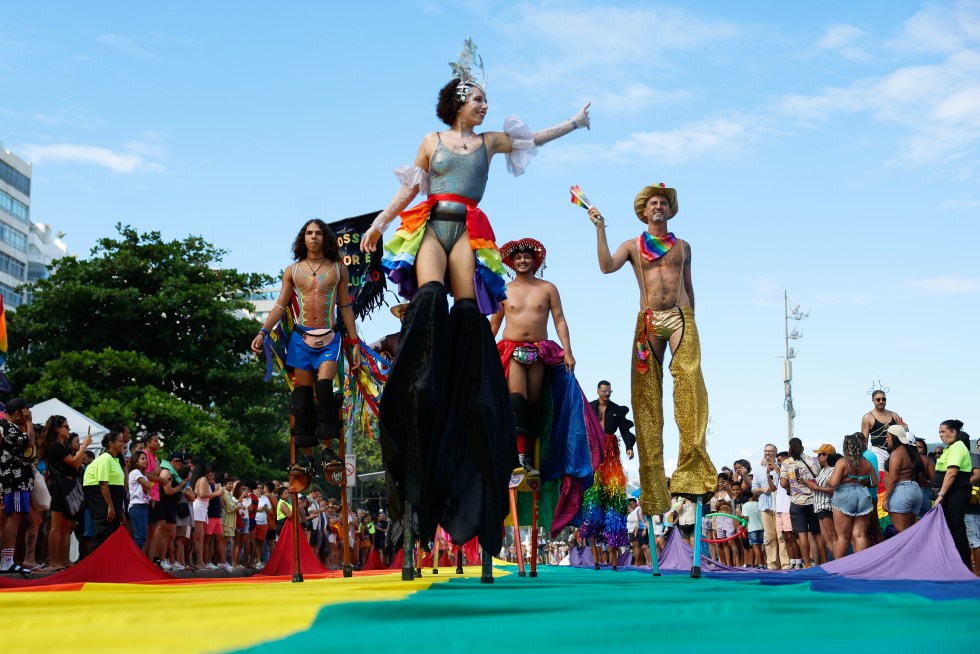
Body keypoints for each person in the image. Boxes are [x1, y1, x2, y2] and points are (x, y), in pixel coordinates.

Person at [359, 38, 591, 569]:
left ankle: (467, 366)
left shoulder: (489, 143)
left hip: (469, 227)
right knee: (431, 296)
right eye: (478, 99)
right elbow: (408, 193)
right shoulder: (432, 140)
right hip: (429, 224)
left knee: (466, 310)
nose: (485, 105)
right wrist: (378, 223)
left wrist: (573, 125)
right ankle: (419, 353)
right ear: (457, 100)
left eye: (486, 99)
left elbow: (537, 138)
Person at [587, 183, 716, 520]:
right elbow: (606, 267)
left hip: (679, 317)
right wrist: (600, 228)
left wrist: (691, 319)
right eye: (652, 203)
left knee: (689, 380)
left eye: (663, 203)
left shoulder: (684, 246)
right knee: (645, 399)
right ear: (644, 211)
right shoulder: (633, 245)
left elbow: (689, 286)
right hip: (648, 320)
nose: (658, 206)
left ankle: (692, 470)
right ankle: (656, 494)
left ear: (670, 210)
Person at [490, 237, 600, 533]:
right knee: (517, 401)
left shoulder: (548, 288)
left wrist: (569, 350)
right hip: (512, 349)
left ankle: (533, 463)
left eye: (528, 257)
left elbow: (560, 320)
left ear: (535, 260)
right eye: (518, 258)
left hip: (540, 351)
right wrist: (482, 352)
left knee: (536, 407)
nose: (523, 261)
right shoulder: (503, 288)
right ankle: (519, 461)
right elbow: (494, 324)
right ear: (511, 262)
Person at [250, 218, 361, 489]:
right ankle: (307, 456)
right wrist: (262, 332)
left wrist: (355, 341)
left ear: (325, 238)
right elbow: (279, 305)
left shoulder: (338, 270)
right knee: (301, 396)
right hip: (300, 339)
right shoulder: (293, 270)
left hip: (330, 339)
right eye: (309, 233)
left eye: (318, 233)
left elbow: (345, 306)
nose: (313, 237)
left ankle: (327, 450)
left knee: (324, 390)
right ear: (304, 238)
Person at [581, 381, 633, 566]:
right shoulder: (589, 408)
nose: (607, 394)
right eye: (604, 391)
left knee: (614, 502)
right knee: (593, 503)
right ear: (598, 391)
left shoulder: (617, 410)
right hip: (593, 456)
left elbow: (626, 431)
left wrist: (629, 447)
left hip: (611, 458)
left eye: (609, 391)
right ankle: (595, 559)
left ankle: (613, 560)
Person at [41, 417, 92, 571]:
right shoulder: (55, 446)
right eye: (66, 427)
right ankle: (54, 561)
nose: (68, 430)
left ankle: (63, 560)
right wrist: (84, 446)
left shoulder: (61, 446)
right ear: (57, 429)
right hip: (58, 487)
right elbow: (75, 463)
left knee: (66, 526)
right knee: (57, 526)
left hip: (67, 486)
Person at [0, 398, 36, 574]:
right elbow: (29, 442)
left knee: (16, 517)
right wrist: (29, 423)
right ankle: (6, 562)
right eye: (26, 411)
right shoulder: (8, 427)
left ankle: (7, 560)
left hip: (17, 479)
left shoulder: (8, 427)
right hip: (15, 480)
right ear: (17, 414)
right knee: (13, 518)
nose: (28, 414)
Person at [828, 434, 875, 559]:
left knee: (843, 536)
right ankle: (860, 567)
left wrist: (828, 481)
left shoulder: (843, 462)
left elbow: (833, 483)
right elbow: (874, 482)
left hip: (845, 495)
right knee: (860, 535)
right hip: (863, 495)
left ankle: (838, 569)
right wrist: (861, 481)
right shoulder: (867, 463)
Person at [933, 419, 972, 569]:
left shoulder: (957, 447)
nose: (940, 435)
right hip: (950, 493)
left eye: (943, 432)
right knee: (949, 528)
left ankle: (962, 567)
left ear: (953, 432)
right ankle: (953, 566)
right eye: (939, 432)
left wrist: (941, 495)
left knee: (955, 528)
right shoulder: (949, 448)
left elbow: (951, 473)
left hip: (955, 493)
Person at [82, 431, 126, 549]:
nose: (123, 443)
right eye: (120, 441)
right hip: (100, 497)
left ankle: (107, 564)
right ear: (111, 443)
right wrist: (110, 506)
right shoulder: (105, 459)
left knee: (112, 533)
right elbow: (103, 484)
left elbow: (117, 485)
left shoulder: (115, 460)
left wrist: (120, 510)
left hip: (114, 497)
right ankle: (95, 565)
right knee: (103, 532)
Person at [882, 425, 924, 533]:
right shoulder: (910, 451)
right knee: (910, 532)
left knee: (902, 534)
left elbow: (893, 477)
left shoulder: (896, 453)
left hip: (901, 491)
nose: (886, 439)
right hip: (915, 490)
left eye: (888, 436)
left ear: (895, 437)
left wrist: (885, 498)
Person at [803, 446, 841, 560]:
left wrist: (816, 487)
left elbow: (835, 489)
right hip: (819, 506)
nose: (817, 457)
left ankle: (839, 562)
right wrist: (808, 485)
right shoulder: (823, 470)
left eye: (819, 454)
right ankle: (837, 562)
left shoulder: (833, 470)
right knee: (826, 538)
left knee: (832, 536)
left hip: (827, 505)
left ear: (826, 455)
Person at [752, 443, 783, 569]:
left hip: (779, 506)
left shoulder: (780, 467)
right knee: (770, 537)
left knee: (781, 536)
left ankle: (785, 564)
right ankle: (772, 564)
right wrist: (762, 489)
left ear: (775, 453)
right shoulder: (758, 469)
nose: (768, 453)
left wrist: (775, 468)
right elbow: (753, 489)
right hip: (765, 506)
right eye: (766, 451)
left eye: (771, 451)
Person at [127, 451, 153, 550]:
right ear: (136, 461)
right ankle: (132, 560)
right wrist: (147, 485)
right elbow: (148, 486)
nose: (145, 460)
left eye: (145, 458)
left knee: (141, 536)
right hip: (137, 507)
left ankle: (134, 559)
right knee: (140, 537)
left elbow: (147, 489)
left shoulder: (142, 474)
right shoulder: (135, 472)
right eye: (142, 458)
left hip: (143, 506)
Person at [914, 437, 935, 519]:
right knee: (925, 520)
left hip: (919, 490)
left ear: (924, 449)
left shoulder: (925, 459)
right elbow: (933, 478)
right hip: (922, 491)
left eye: (920, 447)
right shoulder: (926, 460)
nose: (917, 449)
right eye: (915, 447)